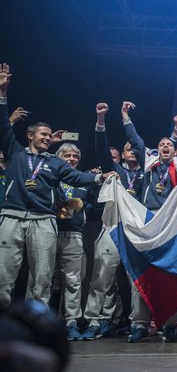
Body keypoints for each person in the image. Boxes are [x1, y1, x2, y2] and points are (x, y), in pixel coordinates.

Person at [0, 63, 115, 310]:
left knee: (42, 279)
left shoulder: (54, 163)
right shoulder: (15, 153)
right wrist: (2, 94)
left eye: (48, 134)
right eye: (42, 134)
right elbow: (2, 129)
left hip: (43, 220)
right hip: (11, 216)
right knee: (3, 278)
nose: (46, 137)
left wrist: (99, 178)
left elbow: (77, 177)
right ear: (29, 136)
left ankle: (37, 327)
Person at [121, 101, 177, 342]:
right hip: (148, 220)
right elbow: (136, 140)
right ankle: (139, 323)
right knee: (143, 273)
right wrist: (125, 116)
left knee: (169, 275)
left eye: (169, 144)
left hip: (171, 223)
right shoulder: (149, 163)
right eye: (161, 145)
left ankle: (168, 324)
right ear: (155, 149)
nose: (165, 147)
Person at [80, 103, 145, 340]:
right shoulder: (115, 169)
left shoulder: (147, 174)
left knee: (137, 280)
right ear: (123, 154)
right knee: (101, 275)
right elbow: (101, 149)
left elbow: (138, 142)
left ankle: (138, 322)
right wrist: (101, 120)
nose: (132, 151)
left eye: (135, 149)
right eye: (128, 149)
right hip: (113, 226)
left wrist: (126, 117)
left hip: (138, 230)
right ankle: (96, 320)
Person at [51, 143, 97, 341]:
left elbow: (93, 203)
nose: (71, 159)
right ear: (58, 158)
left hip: (74, 234)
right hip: (48, 232)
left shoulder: (83, 180)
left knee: (73, 281)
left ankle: (71, 321)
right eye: (66, 155)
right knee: (44, 280)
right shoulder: (50, 177)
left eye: (74, 156)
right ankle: (44, 321)